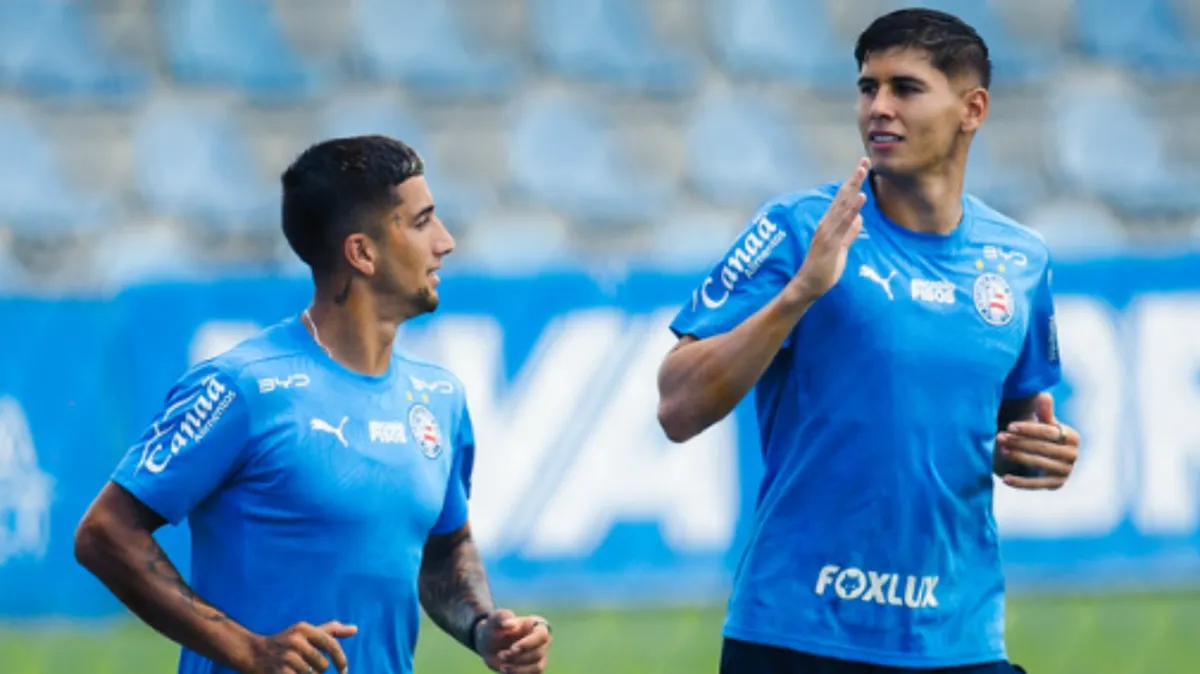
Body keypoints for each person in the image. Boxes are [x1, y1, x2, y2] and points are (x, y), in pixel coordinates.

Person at [657, 8, 1081, 674]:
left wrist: (1039, 455)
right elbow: (676, 406)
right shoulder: (801, 229)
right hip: (799, 634)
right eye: (867, 88)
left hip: (957, 639)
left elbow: (1015, 428)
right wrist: (800, 292)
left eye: (905, 88)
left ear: (973, 109)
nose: (878, 108)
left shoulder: (1021, 260)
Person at [74, 135, 552, 674]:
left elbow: (446, 549)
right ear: (362, 252)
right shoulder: (242, 387)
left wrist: (484, 627)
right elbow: (105, 532)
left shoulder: (440, 397)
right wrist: (245, 649)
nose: (445, 242)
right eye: (422, 223)